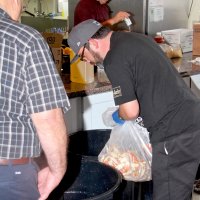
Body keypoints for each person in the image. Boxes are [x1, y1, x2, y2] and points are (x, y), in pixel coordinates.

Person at [68, 19, 200, 200]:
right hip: (189, 120)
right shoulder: (136, 39)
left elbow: (130, 111)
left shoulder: (113, 58)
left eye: (83, 55)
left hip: (174, 133)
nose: (87, 61)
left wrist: (118, 116)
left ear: (92, 43)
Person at [0, 1, 70, 200]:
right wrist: (56, 171)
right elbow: (48, 117)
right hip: (7, 178)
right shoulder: (24, 38)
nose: (22, 8)